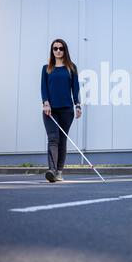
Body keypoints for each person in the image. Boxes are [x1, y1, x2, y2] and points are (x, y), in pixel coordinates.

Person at [41, 39, 82, 182]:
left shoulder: (71, 68)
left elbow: (76, 89)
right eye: (55, 48)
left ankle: (59, 171)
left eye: (61, 48)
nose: (58, 51)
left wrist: (78, 105)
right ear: (52, 51)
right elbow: (43, 88)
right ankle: (51, 171)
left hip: (66, 110)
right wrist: (45, 102)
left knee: (62, 140)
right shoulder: (46, 68)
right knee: (53, 138)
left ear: (65, 50)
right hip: (50, 110)